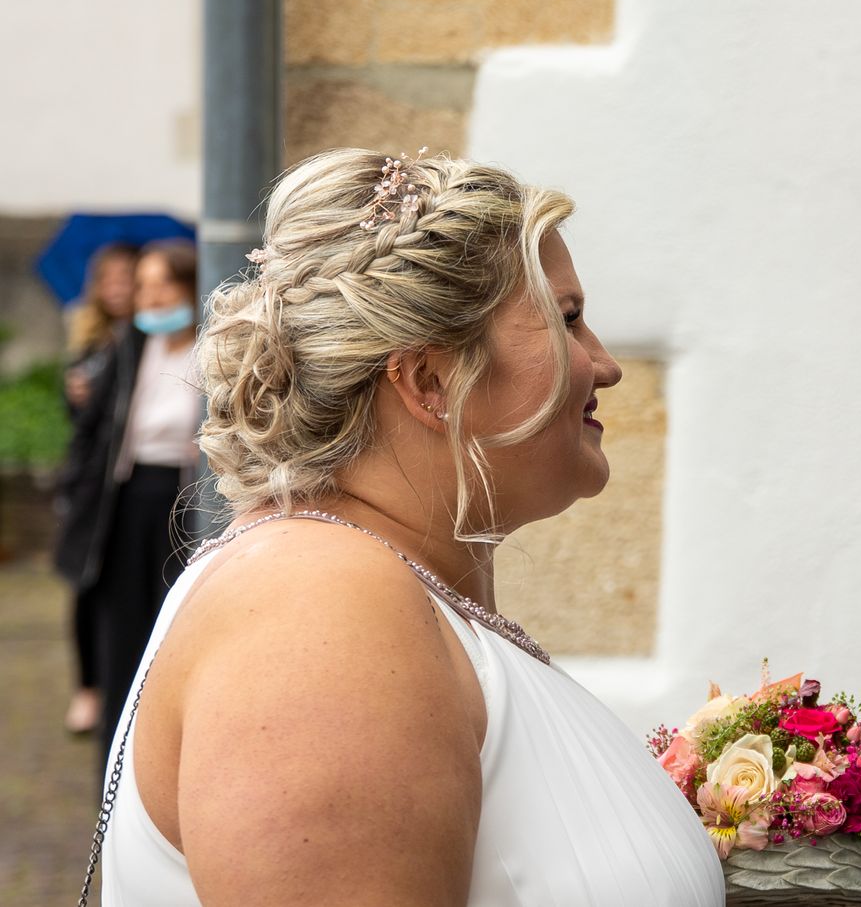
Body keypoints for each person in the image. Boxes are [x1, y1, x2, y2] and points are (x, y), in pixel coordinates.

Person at [93, 149, 724, 905]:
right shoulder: (318, 611)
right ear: (431, 381)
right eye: (568, 320)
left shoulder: (369, 590)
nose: (605, 364)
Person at [57, 238, 201, 760]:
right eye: (144, 285)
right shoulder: (127, 345)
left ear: (191, 285)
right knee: (121, 637)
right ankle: (114, 761)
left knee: (176, 631)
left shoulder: (214, 348)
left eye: (165, 284)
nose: (153, 297)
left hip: (186, 504)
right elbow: (90, 428)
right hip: (124, 503)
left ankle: (170, 752)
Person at [55, 240, 138, 735]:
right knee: (83, 583)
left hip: (119, 482)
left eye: (125, 279)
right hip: (88, 481)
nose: (116, 289)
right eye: (108, 280)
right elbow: (81, 420)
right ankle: (87, 686)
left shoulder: (141, 340)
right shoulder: (91, 337)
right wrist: (76, 394)